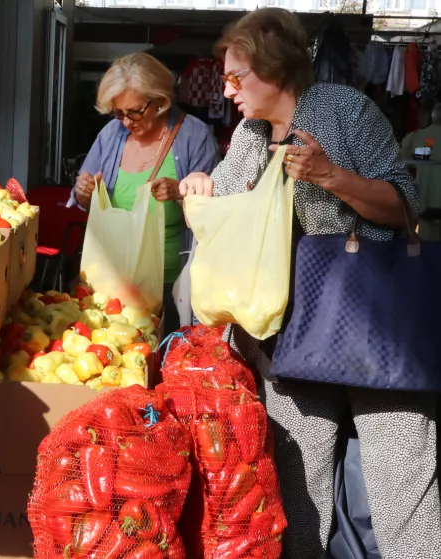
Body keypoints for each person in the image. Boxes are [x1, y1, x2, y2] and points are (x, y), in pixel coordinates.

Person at [180, 8, 440, 558]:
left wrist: (329, 176)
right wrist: (193, 187)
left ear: (275, 68)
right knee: (299, 490)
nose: (227, 90)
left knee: (402, 483)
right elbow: (219, 214)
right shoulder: (248, 137)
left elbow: (404, 205)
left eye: (236, 77)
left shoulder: (346, 111)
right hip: (288, 335)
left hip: (371, 323)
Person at [68, 53, 219, 326]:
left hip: (171, 286)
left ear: (160, 102)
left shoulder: (194, 137)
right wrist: (84, 192)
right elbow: (84, 200)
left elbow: (215, 213)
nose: (126, 122)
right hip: (111, 283)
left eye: (135, 112)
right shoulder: (111, 135)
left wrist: (180, 194)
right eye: (118, 112)